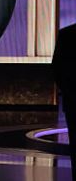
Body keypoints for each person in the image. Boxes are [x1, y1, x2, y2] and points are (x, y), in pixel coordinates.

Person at [53, 23, 76, 177]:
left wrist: (68, 92)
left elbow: (57, 68)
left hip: (73, 101)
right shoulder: (66, 34)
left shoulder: (66, 34)